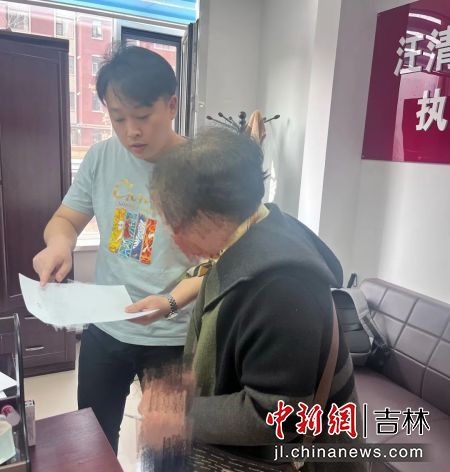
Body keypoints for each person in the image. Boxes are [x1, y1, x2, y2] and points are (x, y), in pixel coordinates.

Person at [139, 128, 368, 471]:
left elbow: (276, 415)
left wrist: (178, 413)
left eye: (176, 225)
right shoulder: (252, 234)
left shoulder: (281, 288)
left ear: (212, 216)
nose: (173, 238)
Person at [32, 45, 203, 454]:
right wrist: (60, 244)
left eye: (142, 117)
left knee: (169, 451)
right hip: (107, 327)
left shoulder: (202, 170)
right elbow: (65, 219)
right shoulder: (102, 157)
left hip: (172, 336)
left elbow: (221, 260)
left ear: (172, 105)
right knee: (92, 441)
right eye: (118, 118)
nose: (131, 132)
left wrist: (170, 302)